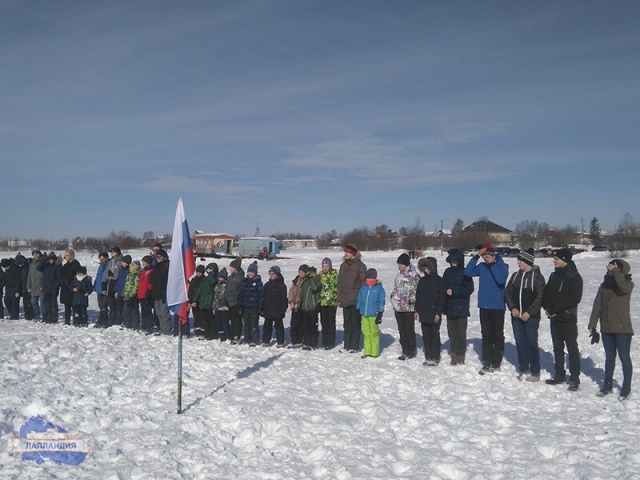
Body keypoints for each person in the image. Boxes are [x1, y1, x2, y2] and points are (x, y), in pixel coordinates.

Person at [588, 259, 634, 400]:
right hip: (606, 328)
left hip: (622, 329)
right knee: (609, 358)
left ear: (621, 270)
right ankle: (607, 386)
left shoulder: (627, 284)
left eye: (614, 266)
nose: (610, 268)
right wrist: (593, 325)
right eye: (610, 266)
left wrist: (615, 271)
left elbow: (623, 287)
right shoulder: (605, 285)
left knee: (624, 358)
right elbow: (597, 305)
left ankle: (626, 387)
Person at [464, 243, 509, 374]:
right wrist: (476, 256)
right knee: (486, 335)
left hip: (498, 307)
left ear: (493, 255)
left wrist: (493, 264)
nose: (485, 258)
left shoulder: (502, 266)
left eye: (487, 255)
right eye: (484, 256)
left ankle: (496, 362)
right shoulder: (482, 267)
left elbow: (501, 280)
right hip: (484, 305)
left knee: (498, 335)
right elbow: (468, 272)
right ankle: (487, 361)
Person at [543, 248, 583, 391]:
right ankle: (559, 374)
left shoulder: (574, 276)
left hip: (568, 318)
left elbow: (574, 299)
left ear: (564, 260)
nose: (554, 261)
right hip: (554, 318)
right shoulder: (554, 275)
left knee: (572, 348)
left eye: (556, 259)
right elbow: (546, 293)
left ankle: (574, 378)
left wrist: (556, 309)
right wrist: (547, 308)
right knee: (557, 348)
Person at [505, 248, 546, 382]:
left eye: (520, 261)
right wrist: (513, 308)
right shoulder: (516, 276)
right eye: (518, 260)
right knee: (520, 342)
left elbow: (540, 297)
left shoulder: (538, 277)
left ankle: (535, 371)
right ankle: (523, 368)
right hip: (516, 316)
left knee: (531, 343)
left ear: (527, 261)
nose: (518, 263)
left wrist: (529, 312)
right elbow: (508, 293)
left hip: (531, 317)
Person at [442, 249, 474, 365]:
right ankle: (454, 353)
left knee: (461, 332)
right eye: (451, 260)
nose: (453, 262)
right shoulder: (447, 272)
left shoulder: (466, 273)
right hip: (450, 307)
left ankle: (461, 354)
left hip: (462, 308)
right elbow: (443, 288)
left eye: (455, 260)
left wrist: (454, 291)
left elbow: (469, 289)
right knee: (452, 333)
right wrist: (443, 305)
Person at [415, 257, 447, 366]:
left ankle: (435, 357)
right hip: (424, 312)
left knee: (434, 335)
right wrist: (416, 310)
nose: (425, 269)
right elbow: (418, 296)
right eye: (423, 267)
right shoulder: (422, 281)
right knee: (426, 335)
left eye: (426, 267)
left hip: (434, 313)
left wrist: (438, 312)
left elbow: (442, 298)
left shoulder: (439, 280)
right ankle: (428, 356)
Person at [337, 244, 367, 353]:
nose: (345, 254)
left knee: (355, 323)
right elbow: (339, 283)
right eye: (345, 251)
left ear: (353, 253)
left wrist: (361, 299)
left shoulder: (360, 266)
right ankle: (347, 345)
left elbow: (364, 283)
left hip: (355, 299)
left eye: (348, 252)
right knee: (347, 324)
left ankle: (354, 346)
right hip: (345, 299)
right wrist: (339, 299)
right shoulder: (343, 266)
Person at [390, 252, 420, 360]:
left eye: (400, 264)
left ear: (406, 264)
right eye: (398, 264)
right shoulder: (399, 275)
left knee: (409, 329)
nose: (399, 266)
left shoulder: (414, 276)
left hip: (409, 308)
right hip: (398, 307)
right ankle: (404, 351)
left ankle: (411, 351)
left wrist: (413, 304)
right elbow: (396, 289)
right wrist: (393, 297)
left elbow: (417, 292)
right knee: (401, 330)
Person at [357, 268, 385, 358]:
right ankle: (367, 351)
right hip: (364, 314)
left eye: (369, 278)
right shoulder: (363, 287)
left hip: (373, 314)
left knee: (374, 333)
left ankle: (374, 352)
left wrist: (380, 313)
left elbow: (381, 301)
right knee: (366, 332)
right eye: (367, 278)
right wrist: (358, 308)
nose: (368, 280)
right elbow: (360, 298)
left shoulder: (379, 288)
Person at [238, 262, 264, 346]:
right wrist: (240, 304)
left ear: (255, 273)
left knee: (254, 324)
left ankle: (254, 339)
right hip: (245, 306)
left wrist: (260, 305)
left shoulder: (258, 282)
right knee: (246, 323)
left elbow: (261, 295)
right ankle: (246, 338)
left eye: (252, 272)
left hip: (254, 307)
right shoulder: (244, 282)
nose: (251, 274)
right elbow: (241, 294)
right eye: (249, 272)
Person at [262, 265, 288, 347]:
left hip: (277, 310)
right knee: (267, 327)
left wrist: (283, 310)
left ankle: (280, 342)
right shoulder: (267, 285)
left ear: (277, 274)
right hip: (268, 310)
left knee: (279, 327)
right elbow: (263, 298)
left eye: (273, 274)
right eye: (270, 274)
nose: (271, 275)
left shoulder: (282, 285)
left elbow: (284, 299)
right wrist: (262, 308)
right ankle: (266, 341)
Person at [193, 263, 218, 340]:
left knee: (210, 320)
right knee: (203, 320)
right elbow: (199, 290)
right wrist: (195, 300)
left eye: (210, 269)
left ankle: (211, 334)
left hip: (210, 303)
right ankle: (203, 333)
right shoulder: (205, 280)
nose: (208, 270)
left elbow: (213, 281)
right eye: (208, 269)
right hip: (203, 302)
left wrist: (212, 273)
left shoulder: (213, 278)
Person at [150, 249, 172, 335]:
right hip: (156, 293)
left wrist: (165, 292)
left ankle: (167, 330)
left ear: (164, 257)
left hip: (164, 293)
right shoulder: (156, 267)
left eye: (159, 257)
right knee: (158, 313)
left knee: (164, 313)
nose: (157, 258)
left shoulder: (167, 267)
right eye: (156, 257)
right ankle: (162, 328)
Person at [299, 265, 321, 350]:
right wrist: (299, 302)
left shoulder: (317, 281)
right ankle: (307, 342)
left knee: (313, 327)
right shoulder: (306, 282)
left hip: (313, 308)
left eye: (311, 274)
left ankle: (313, 343)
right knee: (305, 326)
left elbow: (314, 288)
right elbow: (302, 293)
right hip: (305, 308)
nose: (309, 275)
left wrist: (312, 279)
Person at [318, 258, 338, 350]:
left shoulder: (334, 275)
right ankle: (325, 341)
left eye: (327, 266)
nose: (325, 268)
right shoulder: (320, 275)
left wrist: (338, 298)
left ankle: (330, 342)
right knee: (324, 322)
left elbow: (338, 286)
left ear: (330, 266)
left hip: (331, 302)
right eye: (323, 266)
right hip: (322, 302)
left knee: (330, 322)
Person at [288, 265, 308, 348]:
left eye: (302, 272)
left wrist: (298, 304)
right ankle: (294, 340)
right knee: (293, 324)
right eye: (299, 271)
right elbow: (291, 291)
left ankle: (300, 340)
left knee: (301, 324)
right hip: (294, 306)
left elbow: (304, 295)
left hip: (302, 306)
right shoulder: (296, 280)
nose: (300, 273)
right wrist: (291, 301)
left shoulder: (307, 281)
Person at [38, 252, 61, 323]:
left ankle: (55, 317)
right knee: (48, 303)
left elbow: (58, 279)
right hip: (46, 287)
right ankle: (49, 316)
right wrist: (44, 260)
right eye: (49, 259)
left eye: (52, 259)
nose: (51, 260)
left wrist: (55, 288)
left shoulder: (57, 266)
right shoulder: (46, 266)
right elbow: (38, 267)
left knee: (54, 303)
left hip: (53, 288)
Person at [59, 249, 81, 325]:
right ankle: (67, 320)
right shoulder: (65, 265)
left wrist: (74, 284)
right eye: (65, 255)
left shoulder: (75, 264)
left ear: (72, 255)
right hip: (65, 287)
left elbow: (79, 276)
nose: (66, 257)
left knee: (74, 305)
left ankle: (76, 320)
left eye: (67, 255)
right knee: (67, 305)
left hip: (73, 287)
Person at [225, 258, 244, 344]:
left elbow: (241, 291)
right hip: (229, 302)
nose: (230, 269)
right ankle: (232, 335)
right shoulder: (230, 278)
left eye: (232, 267)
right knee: (232, 320)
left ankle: (237, 336)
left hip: (236, 302)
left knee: (237, 320)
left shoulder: (240, 278)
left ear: (236, 268)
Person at [105, 247, 123, 327]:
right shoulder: (110, 261)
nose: (112, 253)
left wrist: (114, 274)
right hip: (110, 283)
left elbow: (121, 273)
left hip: (117, 283)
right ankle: (110, 321)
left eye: (114, 252)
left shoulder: (121, 261)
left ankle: (118, 321)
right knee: (111, 305)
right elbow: (106, 271)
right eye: (111, 251)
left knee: (118, 305)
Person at [137, 255, 154, 333]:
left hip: (147, 294)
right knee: (143, 311)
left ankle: (149, 326)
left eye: (144, 262)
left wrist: (148, 292)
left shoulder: (151, 271)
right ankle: (144, 325)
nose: (142, 263)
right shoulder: (143, 271)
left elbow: (151, 283)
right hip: (141, 294)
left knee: (148, 311)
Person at [188, 265, 207, 337]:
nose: (198, 273)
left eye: (200, 272)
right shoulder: (193, 280)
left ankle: (202, 331)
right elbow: (190, 291)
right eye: (197, 272)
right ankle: (196, 330)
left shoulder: (205, 280)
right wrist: (190, 301)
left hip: (201, 302)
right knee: (196, 317)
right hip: (193, 302)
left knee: (201, 317)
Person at [122, 260, 141, 329]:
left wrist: (132, 294)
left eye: (131, 266)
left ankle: (134, 326)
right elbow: (126, 285)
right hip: (126, 295)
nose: (129, 267)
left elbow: (136, 286)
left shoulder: (137, 275)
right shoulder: (129, 275)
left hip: (133, 296)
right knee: (125, 312)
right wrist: (124, 293)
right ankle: (127, 325)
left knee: (134, 312)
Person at [15, 254, 34, 320]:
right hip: (23, 286)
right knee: (25, 303)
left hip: (28, 286)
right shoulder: (21, 267)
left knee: (28, 302)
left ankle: (30, 315)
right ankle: (28, 315)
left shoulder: (28, 266)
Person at [27, 249, 45, 320]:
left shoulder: (43, 263)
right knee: (33, 302)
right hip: (33, 286)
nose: (35, 255)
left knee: (43, 302)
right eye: (34, 254)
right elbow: (29, 276)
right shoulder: (31, 264)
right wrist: (28, 286)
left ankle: (44, 315)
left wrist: (43, 285)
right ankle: (36, 314)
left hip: (41, 286)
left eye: (37, 254)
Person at [213, 268, 230, 341]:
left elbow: (223, 296)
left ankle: (227, 335)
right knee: (219, 323)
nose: (220, 279)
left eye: (222, 277)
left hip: (224, 307)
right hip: (217, 307)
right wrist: (214, 307)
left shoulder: (226, 285)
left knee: (224, 322)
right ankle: (222, 336)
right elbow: (215, 297)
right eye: (219, 277)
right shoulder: (217, 285)